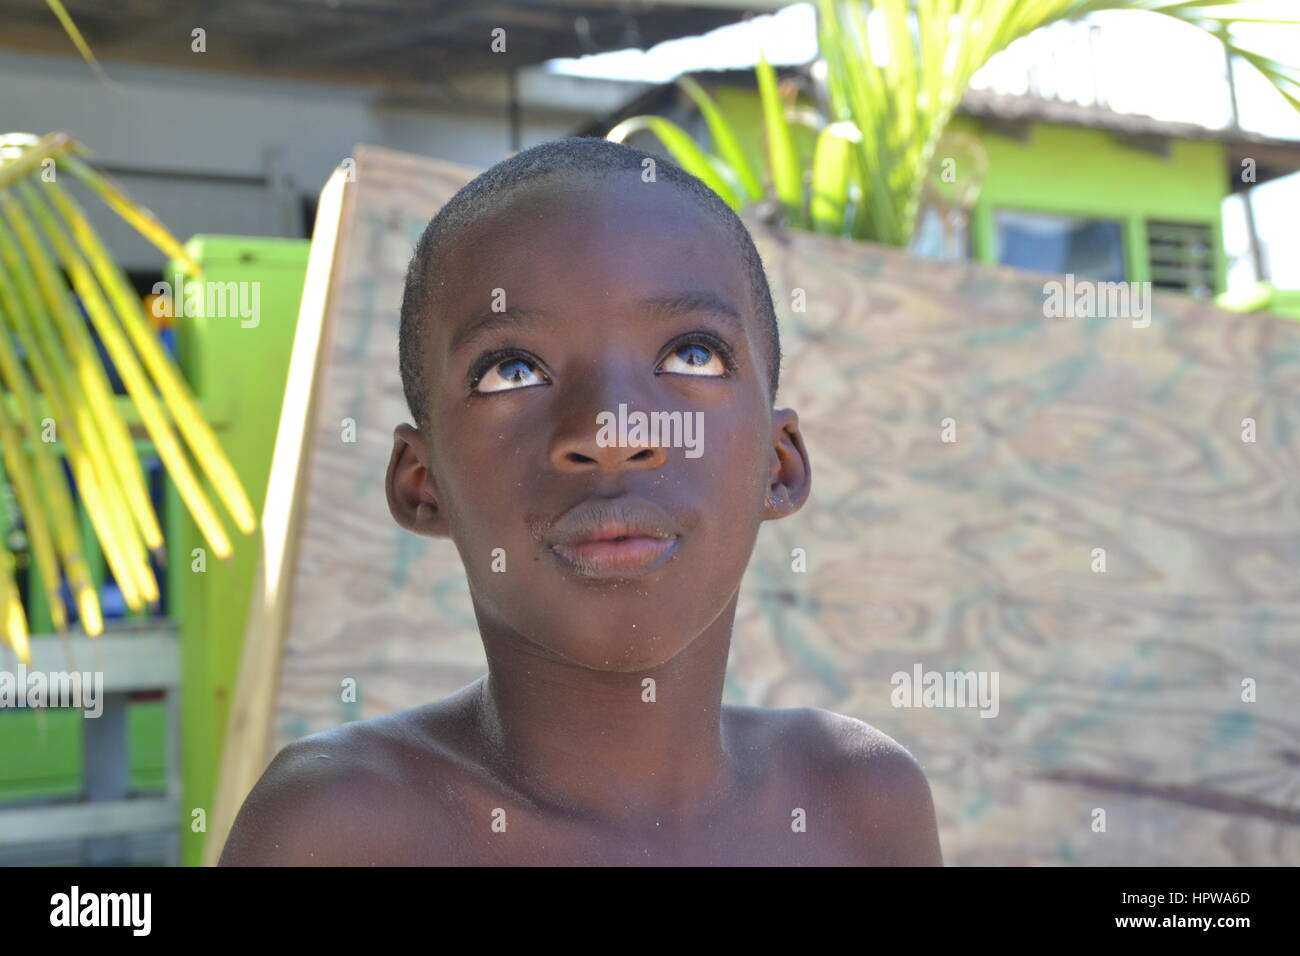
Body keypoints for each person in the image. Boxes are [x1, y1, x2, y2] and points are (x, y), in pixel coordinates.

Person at [219, 137, 942, 866]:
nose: (611, 431)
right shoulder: (340, 832)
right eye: (512, 370)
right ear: (421, 483)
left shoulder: (861, 804)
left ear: (779, 466)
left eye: (693, 355)